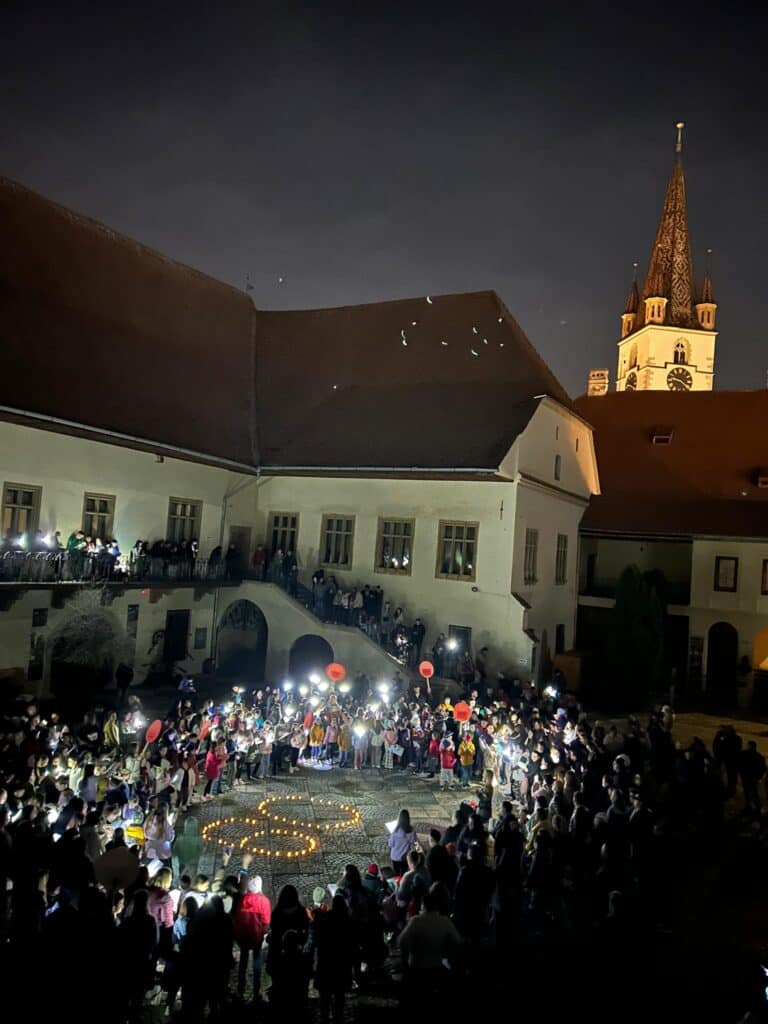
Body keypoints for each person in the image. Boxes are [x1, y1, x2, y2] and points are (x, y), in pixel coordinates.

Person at [314, 894, 356, 1024]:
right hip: (342, 963)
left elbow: (318, 939)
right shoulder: (348, 921)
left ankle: (324, 1016)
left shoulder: (326, 918)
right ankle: (338, 1016)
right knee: (339, 993)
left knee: (325, 994)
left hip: (326, 961)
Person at [233, 873, 271, 1001]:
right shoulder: (264, 901)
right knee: (256, 961)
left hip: (242, 936)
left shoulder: (242, 899)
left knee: (243, 962)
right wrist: (262, 933)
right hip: (256, 937)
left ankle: (240, 990)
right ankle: (256, 991)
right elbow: (266, 922)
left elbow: (237, 919)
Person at [388, 808, 417, 876]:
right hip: (405, 857)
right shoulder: (411, 831)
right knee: (404, 873)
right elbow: (414, 841)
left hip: (395, 857)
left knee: (396, 873)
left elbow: (390, 844)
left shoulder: (395, 831)